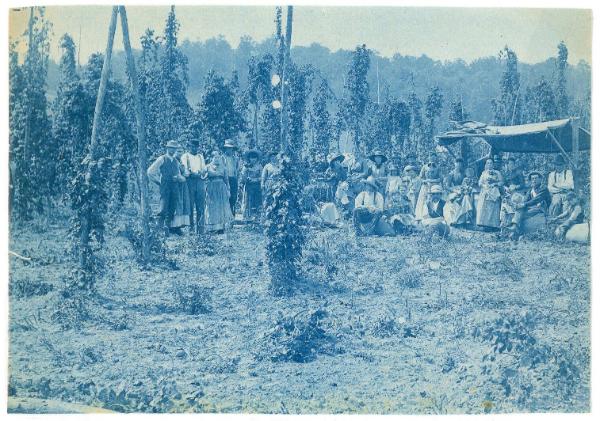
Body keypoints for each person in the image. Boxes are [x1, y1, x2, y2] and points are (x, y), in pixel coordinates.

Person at [147, 140, 187, 235]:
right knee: (163, 207)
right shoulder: (162, 159)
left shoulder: (176, 161)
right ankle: (159, 230)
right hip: (165, 186)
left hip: (174, 186)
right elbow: (150, 171)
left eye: (174, 148)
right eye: (171, 148)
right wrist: (159, 181)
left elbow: (181, 175)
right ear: (167, 148)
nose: (173, 150)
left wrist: (179, 178)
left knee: (172, 207)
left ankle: (167, 229)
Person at [509, 171, 551, 238]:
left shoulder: (543, 188)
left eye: (536, 178)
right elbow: (526, 200)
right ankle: (515, 229)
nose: (534, 180)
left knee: (520, 213)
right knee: (520, 211)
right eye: (532, 179)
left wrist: (523, 205)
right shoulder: (531, 190)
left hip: (541, 208)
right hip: (532, 208)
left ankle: (515, 228)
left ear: (540, 179)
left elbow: (536, 200)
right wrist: (521, 204)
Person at [181, 140, 207, 233]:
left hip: (200, 182)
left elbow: (204, 169)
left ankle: (200, 229)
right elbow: (185, 171)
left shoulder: (200, 156)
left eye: (196, 147)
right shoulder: (185, 156)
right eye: (192, 146)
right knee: (190, 205)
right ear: (189, 147)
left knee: (200, 205)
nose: (194, 148)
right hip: (190, 182)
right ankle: (191, 228)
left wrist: (201, 173)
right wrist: (192, 173)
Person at [204, 149, 233, 233]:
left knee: (221, 206)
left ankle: (221, 227)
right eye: (215, 157)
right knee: (211, 206)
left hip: (221, 188)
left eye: (218, 157)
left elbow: (226, 180)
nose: (216, 159)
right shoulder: (207, 167)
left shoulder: (223, 168)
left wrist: (228, 190)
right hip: (211, 189)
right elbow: (203, 178)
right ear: (211, 158)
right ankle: (211, 227)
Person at [385, 166, 417, 234]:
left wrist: (412, 214)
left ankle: (408, 229)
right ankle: (401, 229)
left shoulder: (407, 199)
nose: (402, 191)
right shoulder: (394, 198)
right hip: (396, 216)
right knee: (397, 219)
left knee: (412, 220)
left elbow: (411, 209)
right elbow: (389, 209)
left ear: (406, 191)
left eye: (404, 190)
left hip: (405, 215)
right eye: (401, 190)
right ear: (399, 190)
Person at [476, 158, 503, 230]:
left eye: (491, 163)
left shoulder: (497, 172)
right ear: (486, 165)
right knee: (483, 207)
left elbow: (501, 182)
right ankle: (483, 225)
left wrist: (495, 184)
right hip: (485, 190)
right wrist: (484, 186)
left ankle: (493, 225)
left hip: (494, 190)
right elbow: (479, 183)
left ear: (493, 164)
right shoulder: (484, 173)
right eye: (488, 163)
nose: (489, 164)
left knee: (493, 208)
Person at [240, 149, 263, 223]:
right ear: (249, 158)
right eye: (251, 158)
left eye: (254, 157)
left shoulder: (259, 166)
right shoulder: (246, 166)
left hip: (257, 186)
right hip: (249, 187)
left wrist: (256, 179)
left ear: (257, 158)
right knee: (248, 201)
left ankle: (257, 218)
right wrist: (246, 177)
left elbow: (262, 177)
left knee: (257, 201)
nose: (253, 159)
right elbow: (243, 177)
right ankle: (248, 218)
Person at [415, 156, 441, 221]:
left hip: (434, 185)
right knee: (422, 199)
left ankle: (434, 214)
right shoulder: (424, 167)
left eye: (434, 157)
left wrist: (433, 181)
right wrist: (425, 181)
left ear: (436, 158)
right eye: (431, 157)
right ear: (428, 158)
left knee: (433, 199)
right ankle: (420, 215)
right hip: (425, 185)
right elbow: (420, 177)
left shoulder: (438, 167)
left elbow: (441, 178)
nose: (432, 158)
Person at [223, 139, 240, 215]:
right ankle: (226, 215)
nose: (229, 150)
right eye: (227, 148)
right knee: (226, 197)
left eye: (230, 148)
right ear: (225, 149)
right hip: (224, 180)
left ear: (232, 149)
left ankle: (232, 213)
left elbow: (237, 169)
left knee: (233, 197)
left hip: (233, 179)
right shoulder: (222, 158)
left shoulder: (235, 159)